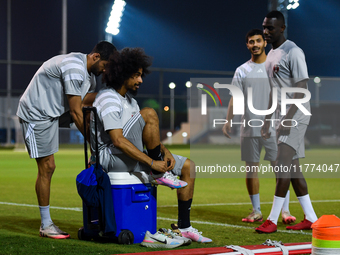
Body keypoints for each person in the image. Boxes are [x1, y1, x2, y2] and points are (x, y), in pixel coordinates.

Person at [90, 47, 212, 243]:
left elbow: (145, 135)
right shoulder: (108, 98)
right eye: (136, 75)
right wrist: (154, 163)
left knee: (189, 166)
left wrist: (166, 152)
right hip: (111, 157)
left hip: (130, 154)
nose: (140, 80)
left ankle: (184, 226)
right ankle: (159, 174)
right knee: (149, 113)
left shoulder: (130, 101)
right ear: (123, 74)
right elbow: (118, 139)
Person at [16, 41, 117, 239]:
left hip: (54, 112)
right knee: (47, 167)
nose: (105, 71)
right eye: (105, 65)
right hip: (37, 113)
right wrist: (94, 148)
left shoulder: (90, 78)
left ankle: (104, 149)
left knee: (94, 104)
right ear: (95, 57)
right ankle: (46, 225)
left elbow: (87, 106)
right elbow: (75, 111)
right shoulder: (74, 67)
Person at [222, 29, 295, 224]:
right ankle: (256, 211)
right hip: (249, 128)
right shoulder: (242, 70)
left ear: (264, 43)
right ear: (247, 45)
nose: (254, 45)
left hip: (274, 127)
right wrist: (228, 121)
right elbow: (234, 99)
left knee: (280, 170)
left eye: (258, 41)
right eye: (250, 42)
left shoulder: (276, 67)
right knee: (251, 170)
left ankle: (285, 211)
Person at [255, 10, 318, 233]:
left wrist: (288, 119)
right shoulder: (270, 56)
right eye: (264, 27)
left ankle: (272, 219)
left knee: (282, 163)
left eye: (270, 28)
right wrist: (266, 120)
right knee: (292, 169)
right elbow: (274, 93)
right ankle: (311, 217)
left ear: (282, 28)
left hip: (297, 114)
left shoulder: (294, 51)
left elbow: (301, 88)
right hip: (281, 116)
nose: (266, 32)